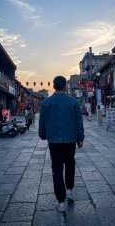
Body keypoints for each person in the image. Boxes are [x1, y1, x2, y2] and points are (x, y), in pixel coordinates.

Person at [39, 76, 84, 213]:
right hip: (70, 140)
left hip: (54, 141)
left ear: (54, 86)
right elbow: (79, 122)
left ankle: (60, 202)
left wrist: (42, 134)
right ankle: (69, 190)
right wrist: (80, 137)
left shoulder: (46, 103)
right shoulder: (73, 102)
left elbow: (42, 121)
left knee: (57, 170)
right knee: (70, 164)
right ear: (65, 86)